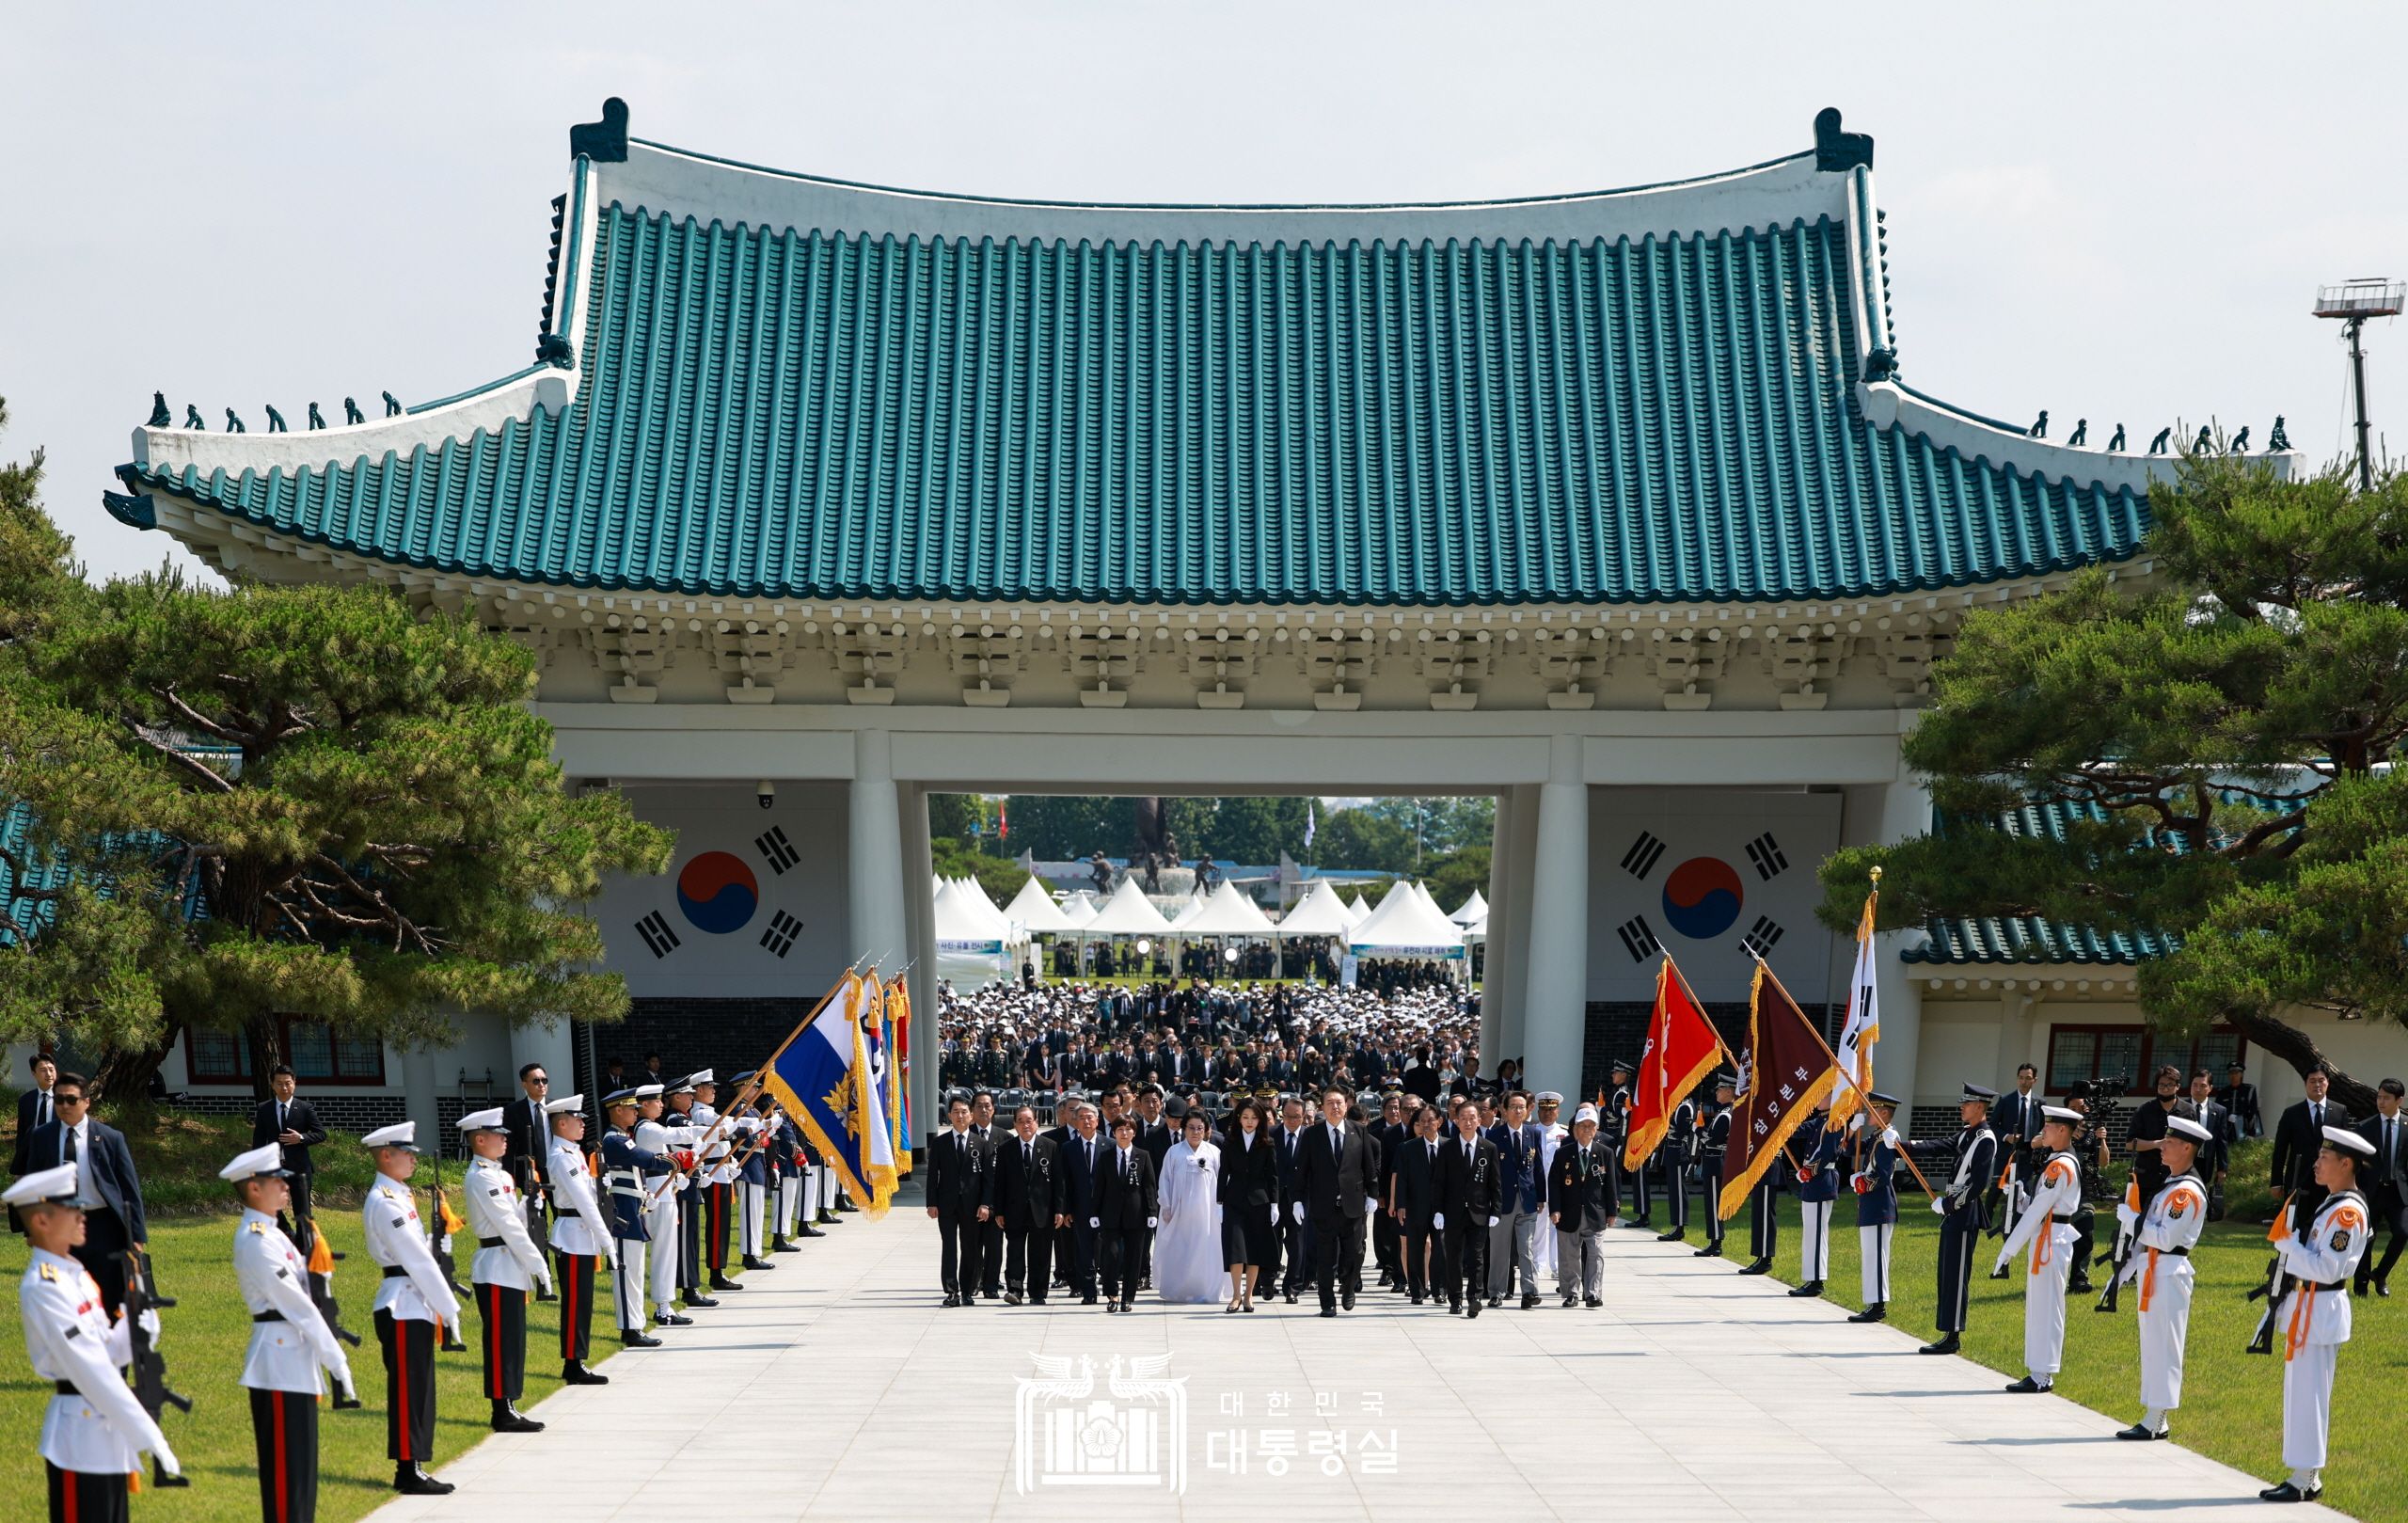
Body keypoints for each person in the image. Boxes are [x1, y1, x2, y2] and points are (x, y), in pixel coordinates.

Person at [9, 1161, 182, 1523]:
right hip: (79, 1438)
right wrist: (151, 1436)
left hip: (106, 1433)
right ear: (41, 1221)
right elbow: (92, 1371)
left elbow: (108, 1349)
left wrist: (137, 1322)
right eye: (72, 1209)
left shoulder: (76, 1275)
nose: (82, 1216)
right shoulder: (45, 1287)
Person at [226, 1140, 355, 1523]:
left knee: (301, 1473)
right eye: (276, 1181)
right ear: (253, 1188)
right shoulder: (256, 1240)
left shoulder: (276, 1233)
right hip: (278, 1363)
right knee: (286, 1476)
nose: (286, 1187)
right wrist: (337, 1359)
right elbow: (297, 1306)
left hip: (293, 1361)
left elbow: (307, 1288)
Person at [2259, 1126, 2375, 1504]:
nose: (2316, 1164)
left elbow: (2328, 1269)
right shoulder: (2332, 1202)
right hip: (2308, 1307)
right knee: (2299, 1394)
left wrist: (2290, 1247)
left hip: (2321, 1308)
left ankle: (2305, 1477)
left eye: (2325, 1159)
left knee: (2310, 1396)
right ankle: (2300, 1474)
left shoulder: (2346, 1212)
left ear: (2346, 1163)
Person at [359, 1122, 457, 1494]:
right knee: (408, 1389)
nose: (413, 1160)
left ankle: (415, 1463)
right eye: (407, 1153)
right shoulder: (385, 1200)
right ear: (386, 1155)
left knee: (420, 1388)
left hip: (413, 1301)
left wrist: (439, 1239)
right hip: (401, 1301)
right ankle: (407, 1469)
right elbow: (415, 1261)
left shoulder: (399, 1194)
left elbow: (420, 1247)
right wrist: (449, 1309)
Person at [2115, 1112, 2211, 1442]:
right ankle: (2154, 1415)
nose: (2162, 1146)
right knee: (2153, 1344)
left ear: (2187, 1148)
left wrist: (2133, 1220)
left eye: (2170, 1142)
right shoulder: (2172, 1184)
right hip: (2156, 1270)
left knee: (2166, 1346)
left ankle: (2158, 1418)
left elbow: (2166, 1237)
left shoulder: (2186, 1192)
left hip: (2170, 1271)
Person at [458, 1106, 552, 1433]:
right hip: (496, 1265)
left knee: (512, 1340)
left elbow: (515, 1217)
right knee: (501, 1341)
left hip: (509, 1265)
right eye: (498, 1136)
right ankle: (501, 1409)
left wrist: (531, 1203)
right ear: (480, 1139)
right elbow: (508, 1227)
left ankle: (509, 1402)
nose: (504, 1141)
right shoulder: (482, 1176)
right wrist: (540, 1265)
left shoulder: (500, 1174)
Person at [21, 1073, 147, 1315]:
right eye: (59, 1100)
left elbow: (130, 1190)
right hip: (60, 1227)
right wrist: (32, 1230)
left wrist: (137, 1235)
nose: (64, 1106)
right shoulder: (42, 1137)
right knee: (64, 1296)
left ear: (86, 1102)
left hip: (103, 1225)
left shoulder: (110, 1138)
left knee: (109, 1292)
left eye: (71, 1100)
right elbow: (33, 1184)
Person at [1992, 1104, 2083, 1393]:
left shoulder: (2061, 1166)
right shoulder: (2056, 1161)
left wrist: (2008, 1251)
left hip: (2051, 1240)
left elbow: (2038, 1213)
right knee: (2039, 1307)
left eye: (2048, 1125)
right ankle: (2038, 1371)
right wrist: (2020, 1197)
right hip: (2047, 1236)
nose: (2043, 1130)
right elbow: (2039, 1205)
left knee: (2047, 1308)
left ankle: (2043, 1374)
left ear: (2062, 1130)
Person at [1920, 1084, 1998, 1356]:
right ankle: (1946, 1331)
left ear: (1980, 1106)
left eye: (1967, 1103)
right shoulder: (1968, 1134)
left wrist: (1949, 1204)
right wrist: (1902, 1146)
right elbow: (1939, 1146)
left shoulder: (1985, 1139)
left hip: (1965, 1214)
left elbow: (1978, 1185)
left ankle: (1953, 1336)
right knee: (1946, 1273)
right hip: (1954, 1214)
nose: (1962, 1107)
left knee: (1956, 1275)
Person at [544, 1094, 612, 1385]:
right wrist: (607, 1240)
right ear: (561, 1123)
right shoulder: (561, 1157)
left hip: (580, 1235)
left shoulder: (573, 1153)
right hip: (571, 1234)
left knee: (583, 1301)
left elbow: (589, 1193)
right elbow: (582, 1202)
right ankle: (573, 1363)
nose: (583, 1124)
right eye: (577, 1119)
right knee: (575, 1303)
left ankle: (578, 1358)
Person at [597, 1086, 672, 1346]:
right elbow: (643, 1158)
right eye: (632, 1109)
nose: (636, 1113)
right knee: (627, 1274)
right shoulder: (615, 1140)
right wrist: (672, 1160)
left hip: (631, 1211)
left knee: (635, 1272)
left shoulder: (621, 1137)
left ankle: (635, 1324)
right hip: (622, 1216)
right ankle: (630, 1328)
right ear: (618, 1110)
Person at [1297, 1086, 1379, 1317]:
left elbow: (1368, 1166)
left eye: (1339, 1103)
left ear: (1346, 1106)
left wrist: (1372, 1194)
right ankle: (1327, 1302)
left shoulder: (1358, 1131)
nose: (1335, 1107)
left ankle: (1349, 1286)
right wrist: (1297, 1200)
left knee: (1354, 1252)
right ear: (1322, 1107)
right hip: (1323, 1206)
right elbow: (1302, 1170)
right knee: (1325, 1256)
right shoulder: (1313, 1134)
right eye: (1330, 1103)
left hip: (1352, 1204)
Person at [634, 1083, 699, 1326]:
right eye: (657, 1101)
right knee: (664, 1252)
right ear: (645, 1105)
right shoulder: (648, 1129)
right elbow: (677, 1136)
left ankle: (665, 1305)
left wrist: (676, 1178)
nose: (662, 1104)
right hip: (657, 1196)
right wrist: (714, 1130)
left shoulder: (651, 1127)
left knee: (668, 1252)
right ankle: (663, 1308)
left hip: (664, 1192)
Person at [1547, 1103, 1619, 1308]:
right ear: (1575, 1129)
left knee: (1596, 1255)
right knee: (1569, 1256)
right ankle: (1571, 1293)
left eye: (1591, 1125)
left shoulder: (1604, 1152)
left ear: (1596, 1129)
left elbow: (1611, 1183)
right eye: (1583, 1125)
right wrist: (1555, 1209)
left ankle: (1593, 1293)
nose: (1587, 1129)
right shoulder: (1563, 1153)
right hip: (1568, 1213)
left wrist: (1612, 1211)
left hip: (1595, 1213)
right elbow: (1554, 1183)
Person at [1434, 1096, 1499, 1317]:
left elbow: (1495, 1183)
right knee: (1453, 1256)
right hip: (1453, 1212)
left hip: (1479, 1212)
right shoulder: (1447, 1148)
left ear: (1479, 1120)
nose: (1468, 1122)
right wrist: (1438, 1210)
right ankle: (1455, 1298)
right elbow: (1439, 1182)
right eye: (1463, 1118)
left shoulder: (1488, 1148)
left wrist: (1495, 1211)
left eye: (1472, 1118)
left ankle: (1475, 1297)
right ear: (1456, 1121)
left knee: (1477, 1257)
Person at [251, 1065, 327, 1249]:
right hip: (275, 1169)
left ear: (294, 1084)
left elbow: (321, 1133)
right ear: (272, 1085)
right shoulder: (264, 1109)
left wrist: (301, 1138)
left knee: (302, 1212)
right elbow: (259, 1140)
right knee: (270, 1207)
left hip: (300, 1169)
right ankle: (287, 1233)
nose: (284, 1088)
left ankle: (304, 1249)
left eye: (288, 1083)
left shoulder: (304, 1108)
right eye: (280, 1084)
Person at [927, 1097, 991, 1308]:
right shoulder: (939, 1143)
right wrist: (931, 1203)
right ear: (949, 1116)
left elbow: (987, 1179)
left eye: (964, 1111)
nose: (960, 1116)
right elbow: (932, 1175)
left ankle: (967, 1289)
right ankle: (951, 1290)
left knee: (970, 1248)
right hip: (946, 1204)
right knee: (949, 1247)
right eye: (956, 1112)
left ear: (971, 1115)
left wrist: (985, 1204)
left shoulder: (981, 1144)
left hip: (972, 1206)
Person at [1155, 1112, 1225, 1304]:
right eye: (1191, 1128)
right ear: (1184, 1129)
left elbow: (1222, 1181)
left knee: (1206, 1250)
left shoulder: (1213, 1152)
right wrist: (1166, 1204)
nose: (1195, 1132)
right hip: (1180, 1212)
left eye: (1200, 1128)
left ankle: (1206, 1289)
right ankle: (1178, 1290)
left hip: (1207, 1213)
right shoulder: (1174, 1152)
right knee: (1179, 1249)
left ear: (1206, 1130)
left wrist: (1221, 1205)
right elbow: (1165, 1179)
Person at [993, 1105, 1060, 1306]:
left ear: (1036, 1123)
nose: (1025, 1125)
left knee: (1041, 1252)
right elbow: (1000, 1183)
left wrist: (1059, 1209)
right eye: (1020, 1121)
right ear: (1014, 1124)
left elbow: (1059, 1182)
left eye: (1029, 1120)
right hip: (1014, 1210)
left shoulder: (1050, 1146)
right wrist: (999, 1210)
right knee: (1014, 1251)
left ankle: (1038, 1292)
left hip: (1043, 1210)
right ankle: (1015, 1289)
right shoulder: (1006, 1149)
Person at [1846, 1093, 1902, 1323]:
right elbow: (1850, 1149)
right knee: (1870, 1254)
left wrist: (1861, 1181)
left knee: (1877, 1256)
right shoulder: (1876, 1137)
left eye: (1873, 1109)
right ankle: (1873, 1302)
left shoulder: (1886, 1139)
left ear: (1884, 1113)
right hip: (1870, 1204)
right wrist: (1852, 1129)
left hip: (1880, 1204)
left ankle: (1878, 1306)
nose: (1869, 1113)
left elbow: (1884, 1175)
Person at [1218, 1099, 1278, 1311]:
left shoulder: (1267, 1143)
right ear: (1238, 1118)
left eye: (1254, 1118)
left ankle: (1249, 1295)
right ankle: (1235, 1295)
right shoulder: (1229, 1142)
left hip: (1259, 1202)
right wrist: (1219, 1201)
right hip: (1233, 1201)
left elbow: (1272, 1176)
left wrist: (1274, 1204)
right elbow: (1223, 1173)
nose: (1249, 1122)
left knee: (1254, 1249)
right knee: (1235, 1249)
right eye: (1245, 1117)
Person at [1094, 1116, 1159, 1313]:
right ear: (1113, 1133)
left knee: (1134, 1258)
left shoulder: (1143, 1155)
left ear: (1134, 1132)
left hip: (1136, 1215)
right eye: (1120, 1129)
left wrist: (1151, 1211)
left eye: (1128, 1129)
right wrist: (1094, 1212)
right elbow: (1099, 1187)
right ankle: (1112, 1295)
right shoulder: (1105, 1156)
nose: (1124, 1133)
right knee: (1111, 1256)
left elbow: (1149, 1186)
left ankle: (1127, 1298)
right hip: (1110, 1215)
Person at [1487, 1090, 1545, 1309]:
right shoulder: (1494, 1136)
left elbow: (1537, 1168)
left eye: (1522, 1106)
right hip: (1503, 1202)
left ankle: (1529, 1292)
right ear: (1504, 1109)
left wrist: (1541, 1196)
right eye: (1514, 1107)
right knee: (1500, 1249)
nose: (1519, 1111)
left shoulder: (1533, 1133)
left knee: (1526, 1249)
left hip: (1527, 1199)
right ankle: (1496, 1292)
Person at [504, 1062, 555, 1301]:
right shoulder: (514, 1111)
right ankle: (542, 1275)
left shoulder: (556, 1109)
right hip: (530, 1175)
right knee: (537, 1225)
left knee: (565, 1221)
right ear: (524, 1084)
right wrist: (508, 1180)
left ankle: (565, 1270)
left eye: (544, 1080)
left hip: (557, 1174)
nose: (542, 1085)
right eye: (536, 1081)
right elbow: (509, 1149)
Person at [2353, 1078, 2405, 1296]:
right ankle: (2361, 1285)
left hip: (2398, 1193)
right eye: (2379, 1097)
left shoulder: (2407, 1126)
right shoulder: (2365, 1127)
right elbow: (2355, 1163)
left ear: (2399, 1100)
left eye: (2386, 1098)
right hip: (2370, 1192)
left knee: (2403, 1233)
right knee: (2366, 1238)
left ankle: (2381, 1274)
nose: (2381, 1102)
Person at [1389, 1103, 1444, 1305]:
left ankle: (1440, 1290)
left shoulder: (1449, 1146)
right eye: (1422, 1122)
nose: (1427, 1125)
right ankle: (1417, 1291)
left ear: (1440, 1122)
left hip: (1441, 1209)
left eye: (1431, 1121)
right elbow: (1401, 1178)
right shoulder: (1407, 1148)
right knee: (1414, 1249)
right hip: (1415, 1206)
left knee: (1440, 1249)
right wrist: (1400, 1204)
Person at [1790, 1109, 1844, 1299]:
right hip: (1812, 1182)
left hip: (1821, 1180)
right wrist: (1782, 1125)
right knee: (1811, 1232)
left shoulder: (1835, 1122)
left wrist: (1808, 1171)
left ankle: (1817, 1281)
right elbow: (1801, 1129)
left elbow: (1827, 1153)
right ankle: (1811, 1278)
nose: (1818, 1098)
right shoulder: (1822, 1119)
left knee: (1817, 1233)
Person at [2271, 1071, 2345, 1199]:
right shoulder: (2291, 1113)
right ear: (2305, 1084)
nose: (2317, 1085)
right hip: (2298, 1179)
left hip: (2329, 1180)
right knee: (2295, 1218)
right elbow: (2280, 1149)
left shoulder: (2339, 1111)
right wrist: (2276, 1182)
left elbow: (2345, 1148)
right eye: (2312, 1081)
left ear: (2328, 1083)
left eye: (2321, 1081)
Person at [1989, 1063, 2043, 1231]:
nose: (2023, 1082)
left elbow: (2043, 1127)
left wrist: (2038, 1139)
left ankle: (2021, 1222)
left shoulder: (2039, 1102)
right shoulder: (2006, 1100)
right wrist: (2007, 1137)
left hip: (2028, 1151)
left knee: (2025, 1187)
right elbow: (1993, 1124)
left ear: (2034, 1080)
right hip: (2007, 1150)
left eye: (2028, 1078)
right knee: (1997, 1186)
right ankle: (1985, 1220)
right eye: (2020, 1078)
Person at [1271, 1096, 1313, 1303]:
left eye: (1296, 1117)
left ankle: (1293, 1286)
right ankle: (1267, 1281)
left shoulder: (1310, 1137)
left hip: (1301, 1199)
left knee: (1297, 1243)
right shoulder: (1272, 1135)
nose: (1291, 1121)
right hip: (1274, 1198)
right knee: (1271, 1240)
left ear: (1303, 1117)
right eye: (1287, 1116)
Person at [2128, 1064, 2184, 1205]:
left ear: (2177, 1086)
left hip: (2174, 1177)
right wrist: (2157, 1144)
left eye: (2170, 1085)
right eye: (2161, 1085)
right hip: (2146, 1177)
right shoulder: (2144, 1110)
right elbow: (2130, 1144)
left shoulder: (2187, 1112)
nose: (2165, 1089)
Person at [1693, 1073, 1735, 1260]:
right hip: (1715, 1161)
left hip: (1715, 1162)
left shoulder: (1726, 1115)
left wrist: (1698, 1130)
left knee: (1713, 1203)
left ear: (1729, 1091)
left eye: (1720, 1089)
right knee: (1713, 1203)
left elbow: (1713, 1140)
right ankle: (1715, 1240)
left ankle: (1716, 1242)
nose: (1717, 1092)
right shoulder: (1725, 1113)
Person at [2218, 1061, 2263, 1146]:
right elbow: (2218, 1110)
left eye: (2236, 1073)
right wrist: (2227, 1116)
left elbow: (2253, 1111)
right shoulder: (2223, 1092)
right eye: (2231, 1073)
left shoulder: (2249, 1089)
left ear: (2241, 1074)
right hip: (2227, 1129)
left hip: (2243, 1129)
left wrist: (2251, 1133)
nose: (2233, 1076)